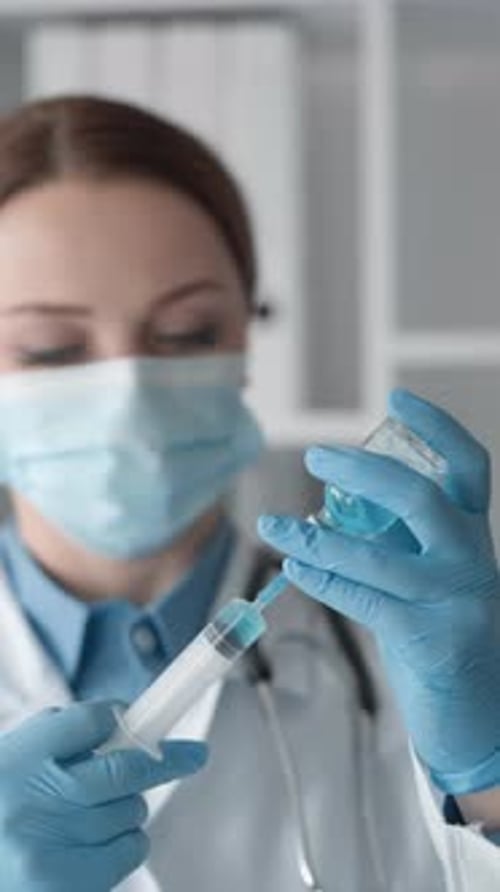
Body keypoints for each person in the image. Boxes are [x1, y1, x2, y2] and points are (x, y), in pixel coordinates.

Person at [0, 94, 498, 892]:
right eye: (53, 348)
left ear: (244, 336)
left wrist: (488, 777)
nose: (130, 389)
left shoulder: (415, 668)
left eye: (187, 334)